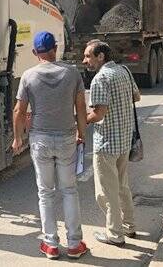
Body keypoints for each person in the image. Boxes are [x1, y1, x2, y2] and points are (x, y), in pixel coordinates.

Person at [12, 31, 89, 260]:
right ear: (55, 48)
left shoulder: (28, 76)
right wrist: (81, 134)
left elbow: (19, 111)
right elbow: (81, 107)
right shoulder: (72, 73)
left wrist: (17, 138)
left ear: (36, 52)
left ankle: (50, 244)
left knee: (45, 193)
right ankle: (74, 245)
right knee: (69, 191)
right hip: (66, 138)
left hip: (40, 140)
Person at [83, 40, 139, 246]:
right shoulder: (124, 70)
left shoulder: (100, 78)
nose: (85, 60)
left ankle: (115, 234)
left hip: (106, 144)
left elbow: (98, 114)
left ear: (101, 56)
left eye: (88, 56)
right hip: (124, 140)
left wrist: (80, 121)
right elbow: (137, 96)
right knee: (123, 186)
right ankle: (129, 226)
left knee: (106, 193)